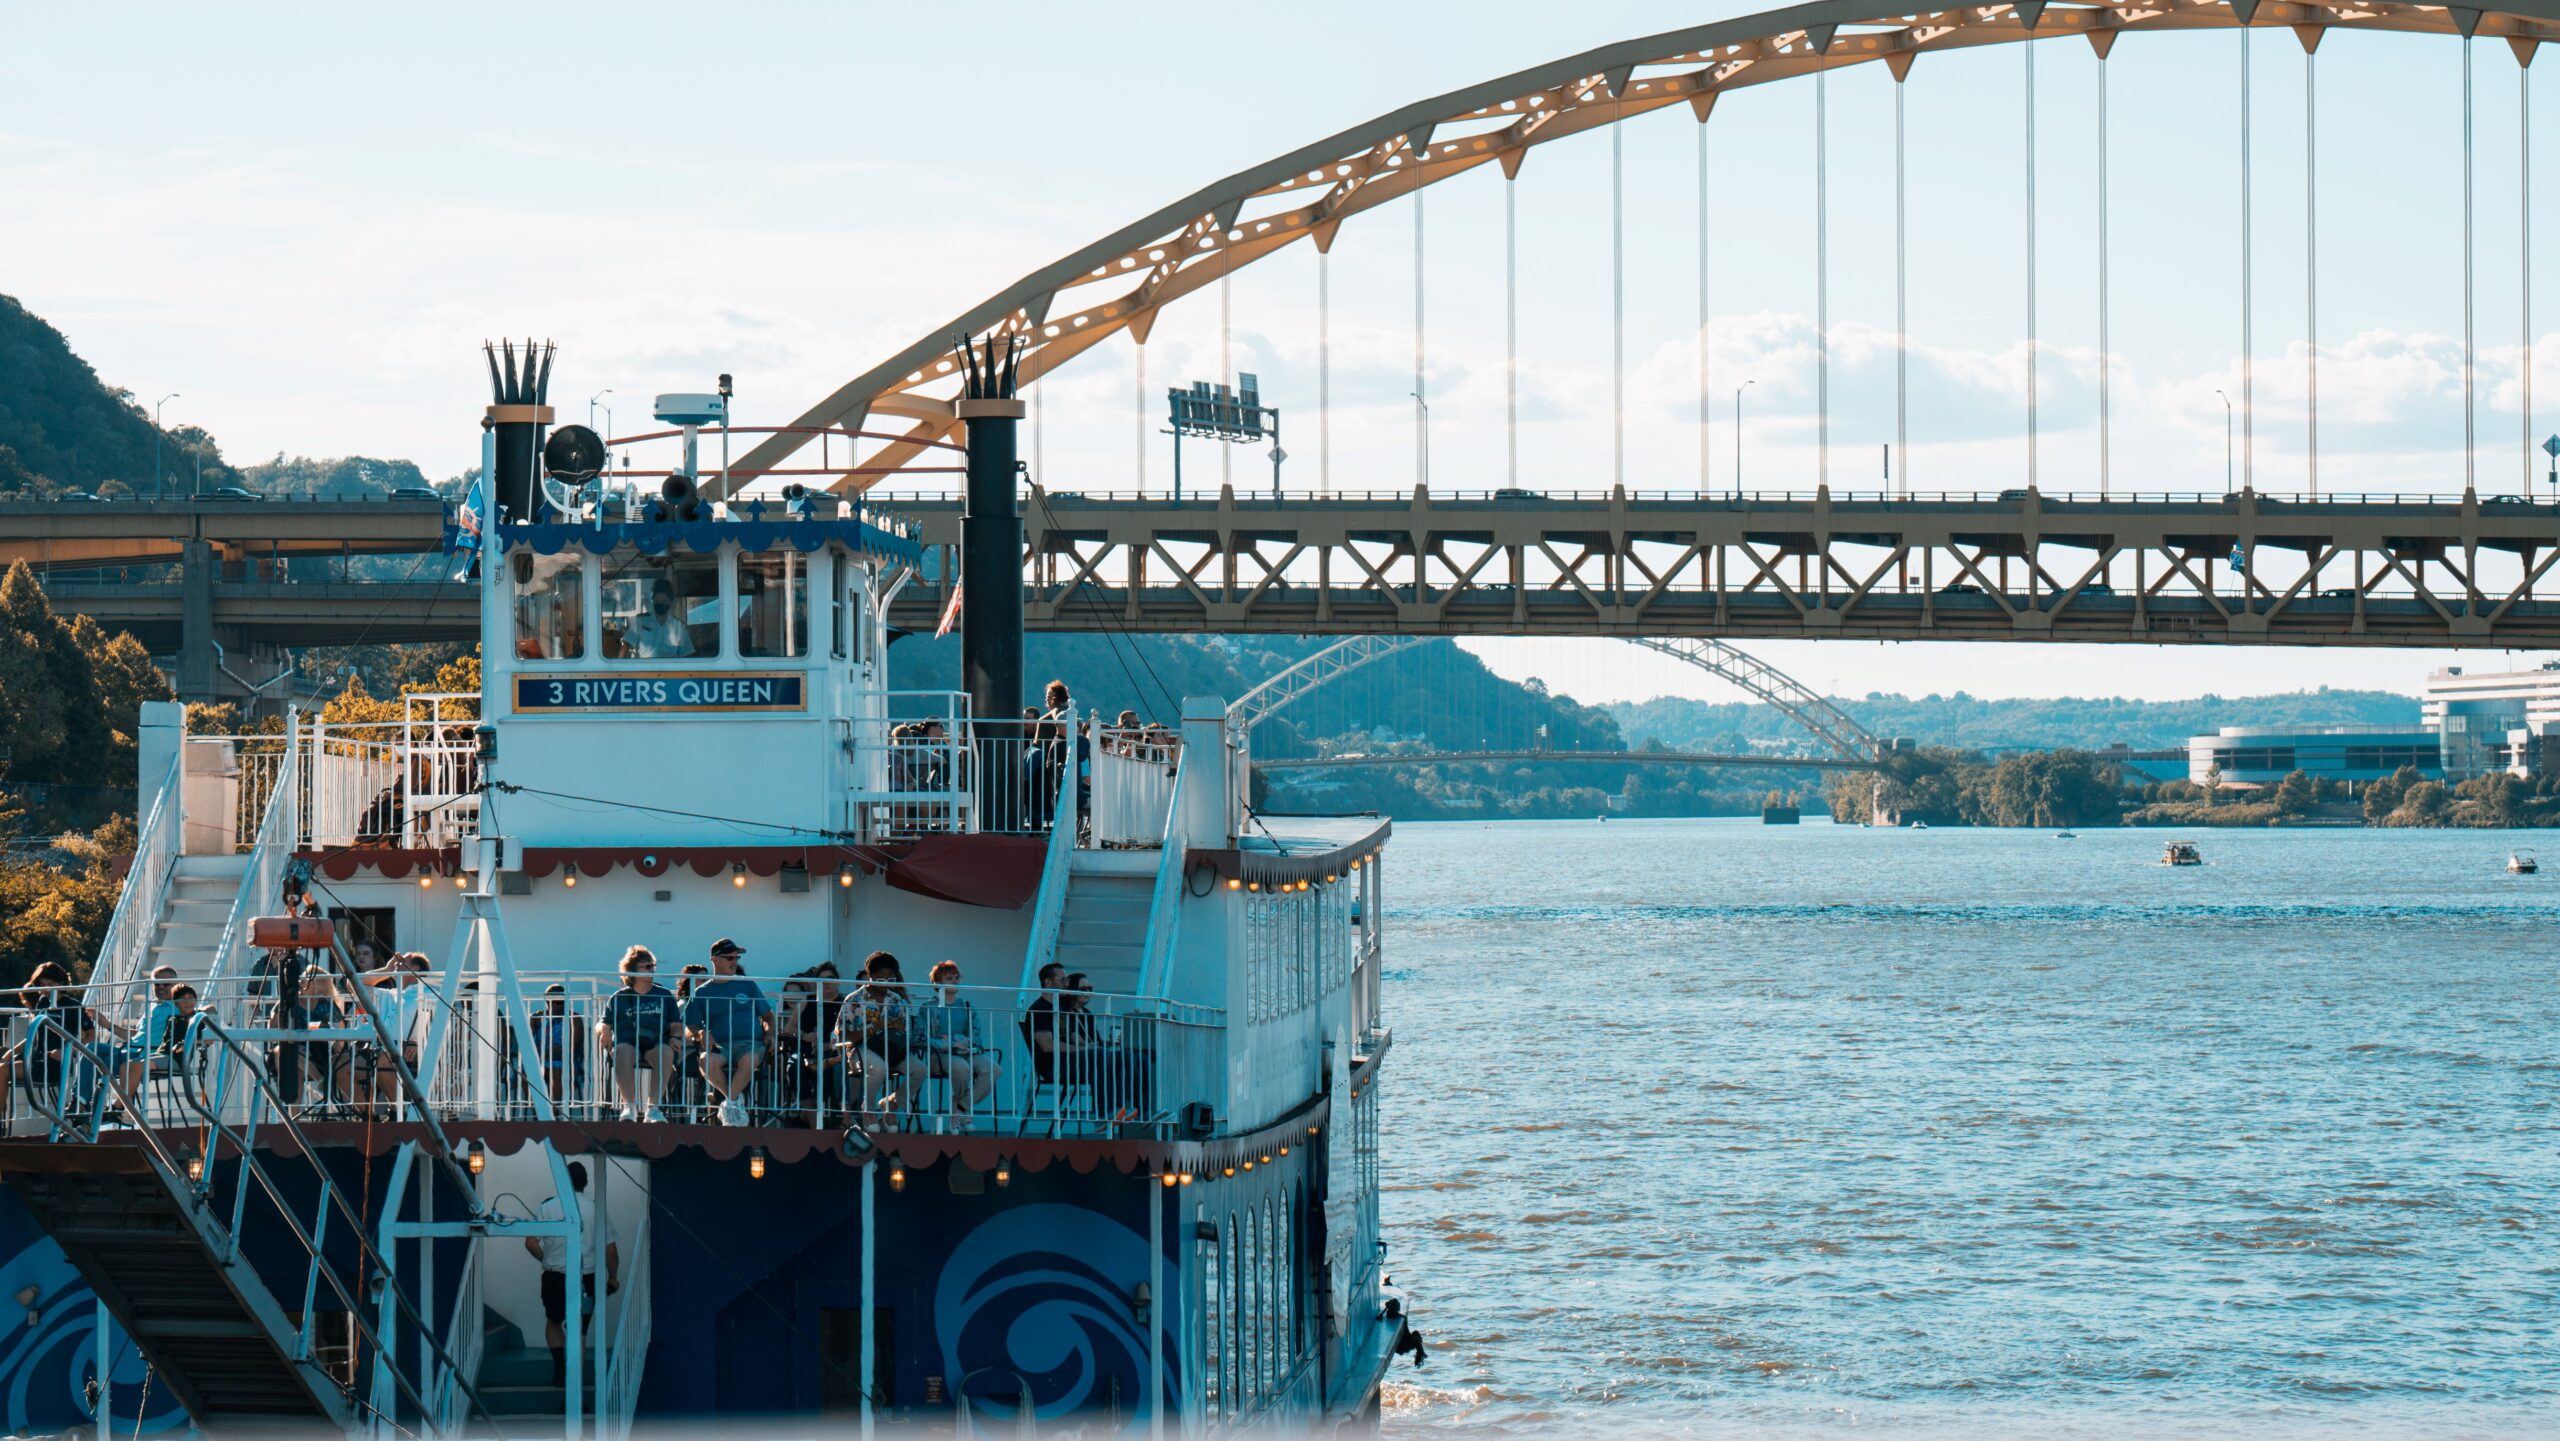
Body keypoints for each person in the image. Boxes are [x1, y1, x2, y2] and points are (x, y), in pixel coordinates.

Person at [525, 1161, 621, 1388]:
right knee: (579, 1332)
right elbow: (611, 1250)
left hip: (554, 1275)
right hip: (586, 1277)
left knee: (554, 1321)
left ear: (564, 1181)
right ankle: (575, 1382)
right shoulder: (595, 1209)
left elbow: (530, 1243)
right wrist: (613, 1277)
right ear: (585, 1183)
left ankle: (560, 1370)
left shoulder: (547, 1207)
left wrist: (546, 1260)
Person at [679, 939, 771, 1126]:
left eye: (736, 957)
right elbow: (690, 1026)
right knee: (705, 1060)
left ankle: (728, 1104)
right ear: (715, 960)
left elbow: (768, 1016)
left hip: (751, 1044)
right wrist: (701, 1033)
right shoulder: (702, 992)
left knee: (748, 1060)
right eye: (730, 957)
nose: (735, 961)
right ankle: (734, 1102)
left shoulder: (748, 985)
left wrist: (770, 1035)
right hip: (722, 1047)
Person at [834, 950, 924, 1119]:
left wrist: (897, 1028)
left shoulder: (896, 999)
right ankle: (868, 1109)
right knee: (879, 1069)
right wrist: (873, 1028)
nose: (886, 984)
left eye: (891, 980)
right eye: (881, 980)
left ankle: (893, 1103)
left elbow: (906, 1032)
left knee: (920, 1070)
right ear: (870, 975)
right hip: (860, 1050)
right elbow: (842, 1036)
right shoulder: (854, 999)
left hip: (891, 1049)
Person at [598, 946, 676, 1122]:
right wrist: (605, 1031)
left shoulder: (663, 994)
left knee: (666, 1053)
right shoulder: (619, 997)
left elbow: (676, 1024)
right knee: (621, 1051)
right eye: (647, 966)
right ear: (632, 970)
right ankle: (629, 1107)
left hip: (656, 1043)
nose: (652, 970)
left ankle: (653, 1109)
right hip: (627, 1042)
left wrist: (675, 1037)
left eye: (653, 966)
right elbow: (605, 1021)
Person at [917, 960, 1000, 1116]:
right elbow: (920, 1039)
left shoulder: (967, 1006)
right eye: (949, 978)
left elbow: (976, 1037)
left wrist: (965, 1043)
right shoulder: (928, 1008)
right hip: (939, 1056)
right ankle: (962, 1112)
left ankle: (962, 1107)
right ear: (937, 983)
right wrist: (950, 1044)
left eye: (957, 977)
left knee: (994, 1069)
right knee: (961, 1067)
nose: (955, 981)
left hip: (966, 1052)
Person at [628, 578, 694, 659]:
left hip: (670, 670)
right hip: (645, 670)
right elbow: (626, 645)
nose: (660, 603)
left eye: (664, 601)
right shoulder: (640, 621)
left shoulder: (679, 627)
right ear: (653, 600)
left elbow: (687, 655)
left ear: (670, 602)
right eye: (657, 600)